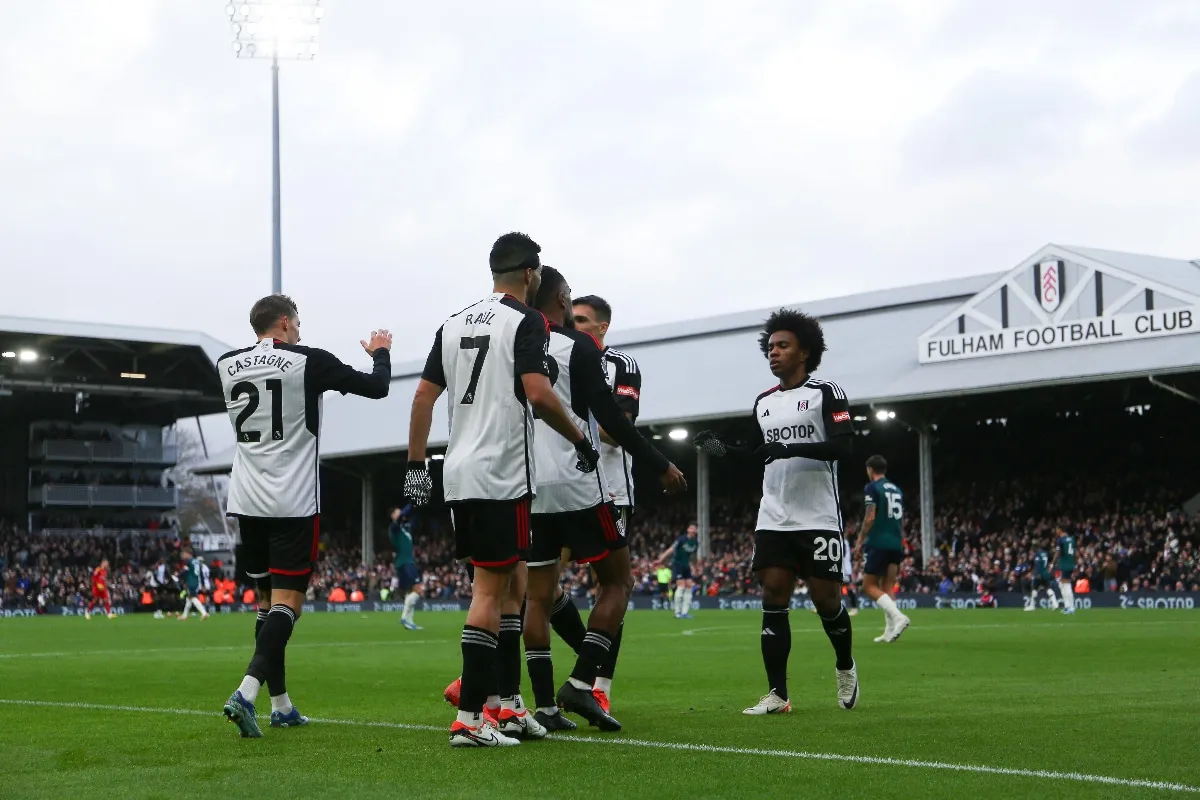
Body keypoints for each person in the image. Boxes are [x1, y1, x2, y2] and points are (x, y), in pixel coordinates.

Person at [405, 232, 600, 748]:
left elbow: (423, 397)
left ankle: (507, 706)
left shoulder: (451, 323)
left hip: (461, 473)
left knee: (513, 588)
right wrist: (580, 438)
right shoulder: (526, 320)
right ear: (531, 274)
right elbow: (539, 394)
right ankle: (471, 719)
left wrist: (416, 465)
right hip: (502, 473)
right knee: (491, 593)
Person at [217, 293, 392, 738]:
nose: (300, 330)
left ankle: (281, 705)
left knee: (265, 605)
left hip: (246, 499)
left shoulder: (226, 364)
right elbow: (377, 387)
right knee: (289, 605)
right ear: (283, 322)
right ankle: (246, 692)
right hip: (292, 500)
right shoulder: (308, 361)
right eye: (297, 323)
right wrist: (380, 352)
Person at [523, 267, 687, 731]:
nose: (576, 323)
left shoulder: (530, 349)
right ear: (560, 301)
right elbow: (615, 423)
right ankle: (584, 681)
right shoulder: (575, 350)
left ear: (603, 325)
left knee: (542, 592)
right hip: (587, 484)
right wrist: (660, 463)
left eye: (584, 319)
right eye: (572, 314)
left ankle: (566, 696)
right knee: (611, 583)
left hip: (543, 485)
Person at [693, 307, 859, 715]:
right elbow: (758, 453)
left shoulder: (826, 393)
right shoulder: (763, 402)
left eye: (783, 345)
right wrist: (724, 450)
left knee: (826, 602)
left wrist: (789, 448)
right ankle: (778, 695)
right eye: (770, 347)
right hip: (774, 516)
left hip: (818, 516)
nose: (774, 352)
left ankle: (845, 665)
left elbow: (843, 446)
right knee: (773, 595)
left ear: (805, 352)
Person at [856, 455, 911, 642]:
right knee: (887, 586)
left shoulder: (872, 488)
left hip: (878, 542)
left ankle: (899, 617)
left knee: (868, 586)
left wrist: (860, 539)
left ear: (870, 469)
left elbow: (870, 516)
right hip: (895, 542)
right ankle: (890, 631)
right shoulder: (897, 489)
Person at [389, 505, 424, 631]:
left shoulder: (405, 528)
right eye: (398, 512)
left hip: (406, 563)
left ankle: (409, 622)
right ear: (393, 516)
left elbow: (416, 518)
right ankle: (404, 617)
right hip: (405, 563)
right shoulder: (394, 528)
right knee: (418, 590)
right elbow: (403, 515)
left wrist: (419, 505)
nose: (401, 514)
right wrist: (411, 504)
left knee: (410, 592)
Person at [656, 524, 699, 619]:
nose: (693, 530)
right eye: (691, 528)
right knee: (681, 586)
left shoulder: (695, 542)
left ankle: (684, 612)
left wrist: (695, 566)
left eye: (694, 529)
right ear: (688, 530)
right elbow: (671, 549)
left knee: (689, 586)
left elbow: (693, 555)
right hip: (677, 564)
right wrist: (661, 559)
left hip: (686, 566)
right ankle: (677, 612)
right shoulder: (681, 539)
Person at [1026, 541, 1057, 611]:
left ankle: (1032, 606)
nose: (1032, 551)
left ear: (1035, 548)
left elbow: (1038, 565)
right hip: (1045, 573)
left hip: (1039, 574)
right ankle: (1055, 604)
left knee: (1034, 589)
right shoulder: (1045, 553)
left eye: (1032, 549)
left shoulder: (1037, 555)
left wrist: (1037, 574)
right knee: (1048, 588)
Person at [178, 551, 209, 621]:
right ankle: (184, 615)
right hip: (196, 582)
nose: (182, 556)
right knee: (188, 599)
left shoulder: (188, 561)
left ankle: (204, 613)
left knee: (192, 598)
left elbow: (184, 571)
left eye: (183, 554)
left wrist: (178, 575)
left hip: (190, 582)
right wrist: (203, 584)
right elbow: (201, 573)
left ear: (188, 554)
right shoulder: (197, 562)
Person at [1053, 527, 1078, 615]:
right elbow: (1075, 553)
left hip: (1065, 565)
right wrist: (1075, 564)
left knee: (1066, 585)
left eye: (1057, 529)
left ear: (1060, 530)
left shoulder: (1061, 540)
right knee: (1061, 585)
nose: (1056, 531)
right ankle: (1067, 606)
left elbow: (1057, 553)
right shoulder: (1071, 539)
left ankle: (1071, 607)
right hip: (1070, 564)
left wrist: (1052, 563)